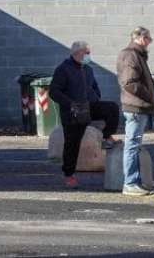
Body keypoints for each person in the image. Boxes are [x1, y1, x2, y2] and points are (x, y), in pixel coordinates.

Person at [50, 41, 120, 189]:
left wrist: (96, 95)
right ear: (78, 53)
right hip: (72, 111)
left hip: (89, 106)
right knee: (72, 144)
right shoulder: (63, 69)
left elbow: (94, 86)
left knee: (112, 108)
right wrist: (71, 104)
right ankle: (69, 175)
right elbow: (54, 92)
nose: (89, 55)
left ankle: (107, 137)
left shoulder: (87, 69)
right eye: (86, 52)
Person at [117, 26, 154, 196]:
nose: (149, 42)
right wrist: (148, 95)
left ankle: (135, 182)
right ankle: (130, 183)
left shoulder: (136, 55)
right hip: (136, 107)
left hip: (138, 107)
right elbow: (129, 82)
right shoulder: (131, 55)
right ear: (141, 38)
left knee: (134, 145)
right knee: (132, 145)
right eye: (149, 39)